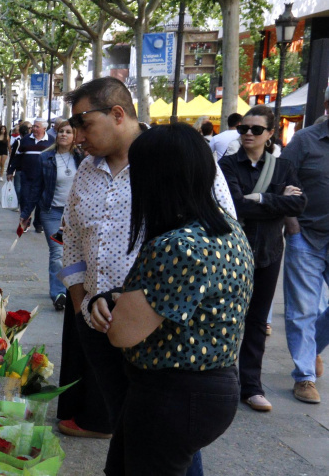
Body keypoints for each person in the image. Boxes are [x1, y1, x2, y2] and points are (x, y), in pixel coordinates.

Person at [56, 78, 235, 476]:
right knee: (131, 428)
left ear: (118, 114)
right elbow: (70, 242)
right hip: (97, 327)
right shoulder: (86, 169)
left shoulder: (180, 158)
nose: (77, 135)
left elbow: (217, 238)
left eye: (84, 122)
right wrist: (83, 303)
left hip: (162, 336)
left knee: (167, 438)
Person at [102, 123, 254, 475]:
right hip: (209, 388)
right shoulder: (228, 230)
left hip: (173, 395)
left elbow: (122, 333)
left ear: (155, 177)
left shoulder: (177, 246)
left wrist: (113, 306)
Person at [219, 106, 306, 411]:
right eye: (244, 128)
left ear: (270, 134)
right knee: (225, 317)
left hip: (268, 253)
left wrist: (259, 198)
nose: (248, 134)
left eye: (256, 130)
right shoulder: (227, 165)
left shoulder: (283, 168)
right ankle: (222, 380)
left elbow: (298, 204)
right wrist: (277, 200)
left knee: (257, 322)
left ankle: (251, 387)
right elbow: (233, 206)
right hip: (232, 254)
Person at [279, 86, 329, 404]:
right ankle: (304, 377)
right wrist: (292, 227)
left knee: (310, 314)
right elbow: (282, 180)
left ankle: (312, 350)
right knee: (302, 311)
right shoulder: (304, 140)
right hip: (306, 235)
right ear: (327, 105)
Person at [20, 119, 83, 311]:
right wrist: (26, 213)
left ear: (75, 137)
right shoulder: (45, 157)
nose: (64, 134)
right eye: (61, 131)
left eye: (69, 132)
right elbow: (36, 187)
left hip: (77, 214)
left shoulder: (83, 158)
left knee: (77, 253)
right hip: (52, 212)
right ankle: (59, 294)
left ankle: (75, 290)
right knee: (57, 253)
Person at [9, 117, 53, 232]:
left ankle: (38, 224)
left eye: (37, 126)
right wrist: (11, 170)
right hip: (27, 175)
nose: (34, 128)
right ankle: (25, 221)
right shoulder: (26, 140)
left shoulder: (51, 141)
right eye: (33, 126)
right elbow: (17, 156)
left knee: (40, 201)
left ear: (44, 128)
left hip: (43, 177)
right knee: (24, 198)